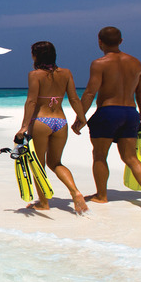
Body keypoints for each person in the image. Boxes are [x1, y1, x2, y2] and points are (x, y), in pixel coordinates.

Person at [72, 26, 141, 211]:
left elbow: (90, 92)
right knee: (130, 157)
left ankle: (102, 196)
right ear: (121, 41)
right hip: (130, 113)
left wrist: (80, 117)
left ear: (99, 42)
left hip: (108, 112)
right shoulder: (137, 63)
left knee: (100, 155)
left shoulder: (99, 63)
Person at [16, 41, 89, 214]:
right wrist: (81, 118)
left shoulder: (35, 75)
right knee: (56, 163)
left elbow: (32, 101)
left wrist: (23, 127)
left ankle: (43, 203)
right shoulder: (66, 73)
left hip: (41, 121)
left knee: (38, 165)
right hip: (60, 122)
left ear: (35, 56)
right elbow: (74, 99)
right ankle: (75, 192)